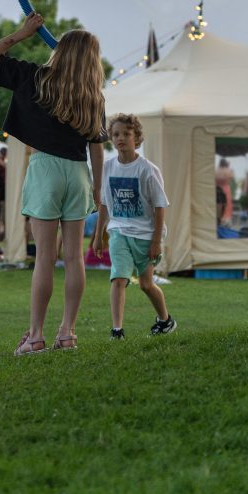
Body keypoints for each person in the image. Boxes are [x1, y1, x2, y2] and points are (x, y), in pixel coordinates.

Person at [0, 11, 106, 355]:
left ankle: (35, 336)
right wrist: (97, 189)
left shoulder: (37, 78)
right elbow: (96, 146)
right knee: (74, 258)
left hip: (45, 169)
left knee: (45, 259)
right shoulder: (94, 96)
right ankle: (67, 333)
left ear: (59, 50)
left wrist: (23, 33)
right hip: (79, 173)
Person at [93, 113, 176, 340]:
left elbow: (160, 206)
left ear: (136, 137)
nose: (121, 138)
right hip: (119, 231)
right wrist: (98, 235)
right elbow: (104, 204)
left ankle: (165, 320)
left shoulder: (148, 170)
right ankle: (117, 330)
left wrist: (156, 241)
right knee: (119, 278)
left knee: (146, 285)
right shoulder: (108, 168)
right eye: (116, 134)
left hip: (146, 235)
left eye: (126, 134)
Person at [215, 158, 234, 228]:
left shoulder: (215, 171)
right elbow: (232, 178)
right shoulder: (229, 171)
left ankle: (218, 220)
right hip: (226, 190)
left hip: (217, 190)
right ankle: (226, 220)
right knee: (227, 205)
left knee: (218, 205)